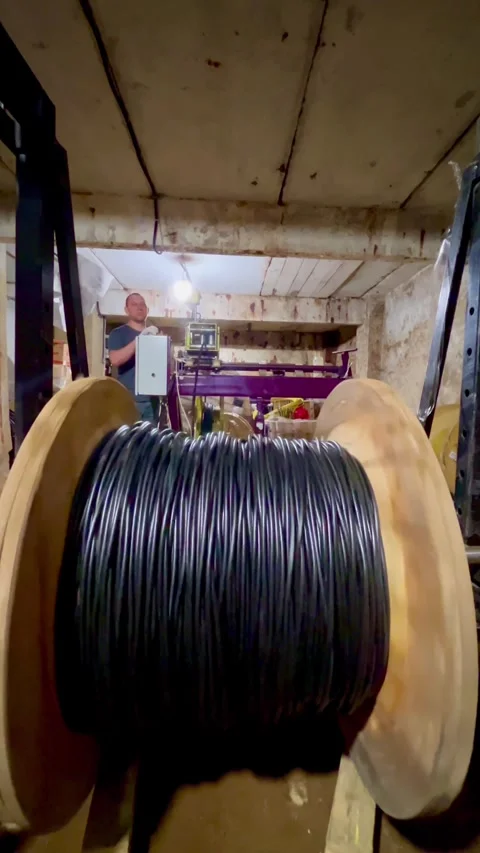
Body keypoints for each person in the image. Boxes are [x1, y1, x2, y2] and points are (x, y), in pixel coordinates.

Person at [108, 293, 160, 423]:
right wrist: (139, 341)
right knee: (130, 442)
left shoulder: (156, 336)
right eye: (134, 304)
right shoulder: (118, 334)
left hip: (152, 401)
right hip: (130, 400)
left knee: (152, 442)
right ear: (126, 310)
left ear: (147, 310)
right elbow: (115, 360)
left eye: (142, 304)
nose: (139, 307)